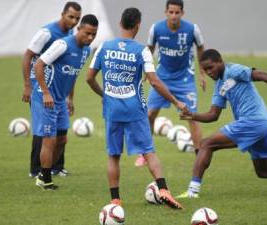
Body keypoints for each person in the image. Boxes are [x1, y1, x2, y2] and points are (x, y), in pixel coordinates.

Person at [177, 49, 267, 199]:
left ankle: (192, 192)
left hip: (254, 121)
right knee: (263, 171)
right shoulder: (219, 87)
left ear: (220, 61)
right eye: (205, 69)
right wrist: (193, 115)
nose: (208, 72)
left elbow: (262, 75)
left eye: (211, 67)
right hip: (263, 125)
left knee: (206, 144)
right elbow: (213, 115)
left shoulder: (233, 70)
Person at [86, 7, 184, 209]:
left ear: (120, 23)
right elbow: (154, 82)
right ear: (138, 26)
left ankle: (115, 200)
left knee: (114, 155)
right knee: (149, 151)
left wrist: (105, 95)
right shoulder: (141, 50)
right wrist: (176, 101)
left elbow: (89, 78)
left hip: (112, 109)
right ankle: (163, 189)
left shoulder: (104, 46)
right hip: (135, 109)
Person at [134, 0, 206, 167]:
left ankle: (199, 156)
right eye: (171, 12)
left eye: (177, 12)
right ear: (166, 12)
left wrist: (202, 72)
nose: (174, 16)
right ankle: (145, 154)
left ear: (182, 13)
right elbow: (149, 49)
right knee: (150, 114)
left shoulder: (192, 29)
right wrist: (146, 70)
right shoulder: (156, 29)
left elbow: (201, 48)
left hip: (185, 80)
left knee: (192, 117)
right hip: (162, 79)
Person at [32, 14, 98, 190]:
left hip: (60, 100)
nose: (90, 38)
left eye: (94, 34)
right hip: (46, 99)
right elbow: (38, 64)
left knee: (62, 140)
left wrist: (70, 98)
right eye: (87, 33)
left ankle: (42, 174)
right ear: (79, 29)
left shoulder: (85, 50)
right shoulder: (62, 45)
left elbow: (73, 75)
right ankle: (45, 180)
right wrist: (46, 93)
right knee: (49, 140)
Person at [21, 1, 82, 178]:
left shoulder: (72, 34)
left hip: (57, 86)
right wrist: (27, 85)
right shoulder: (46, 33)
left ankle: (56, 166)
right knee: (43, 128)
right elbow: (27, 56)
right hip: (39, 87)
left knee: (60, 129)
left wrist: (70, 97)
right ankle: (35, 169)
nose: (74, 21)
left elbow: (71, 70)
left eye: (77, 18)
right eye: (71, 17)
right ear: (62, 14)